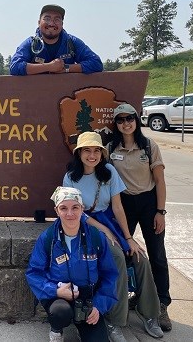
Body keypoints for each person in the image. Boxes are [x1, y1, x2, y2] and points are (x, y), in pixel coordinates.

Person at [63, 132, 163, 341]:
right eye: (87, 151)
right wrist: (104, 230)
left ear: (102, 153)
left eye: (96, 151)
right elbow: (76, 211)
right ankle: (116, 321)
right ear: (79, 153)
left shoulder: (108, 171)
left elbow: (117, 207)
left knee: (139, 258)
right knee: (117, 257)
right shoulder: (71, 177)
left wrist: (129, 238)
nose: (92, 155)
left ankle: (150, 314)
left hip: (110, 221)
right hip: (86, 225)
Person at [108, 103, 172, 332]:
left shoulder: (148, 146)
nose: (126, 123)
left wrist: (160, 211)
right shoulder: (110, 148)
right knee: (125, 252)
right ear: (115, 124)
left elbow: (160, 181)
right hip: (123, 204)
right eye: (120, 120)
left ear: (137, 120)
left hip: (148, 202)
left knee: (156, 254)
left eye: (130, 118)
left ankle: (162, 304)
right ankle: (134, 297)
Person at [26, 186, 118, 342]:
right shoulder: (48, 238)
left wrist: (98, 306)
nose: (70, 214)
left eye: (75, 207)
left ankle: (83, 325)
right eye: (64, 208)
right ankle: (57, 330)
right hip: (59, 296)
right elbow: (34, 273)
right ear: (56, 210)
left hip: (88, 298)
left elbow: (109, 274)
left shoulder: (96, 238)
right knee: (60, 312)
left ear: (82, 209)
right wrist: (55, 291)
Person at [9, 4, 103, 76]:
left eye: (57, 19)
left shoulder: (72, 43)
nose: (51, 23)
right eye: (47, 18)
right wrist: (48, 66)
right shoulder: (31, 44)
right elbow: (15, 66)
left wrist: (66, 68)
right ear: (39, 22)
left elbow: (96, 63)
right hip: (36, 96)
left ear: (62, 24)